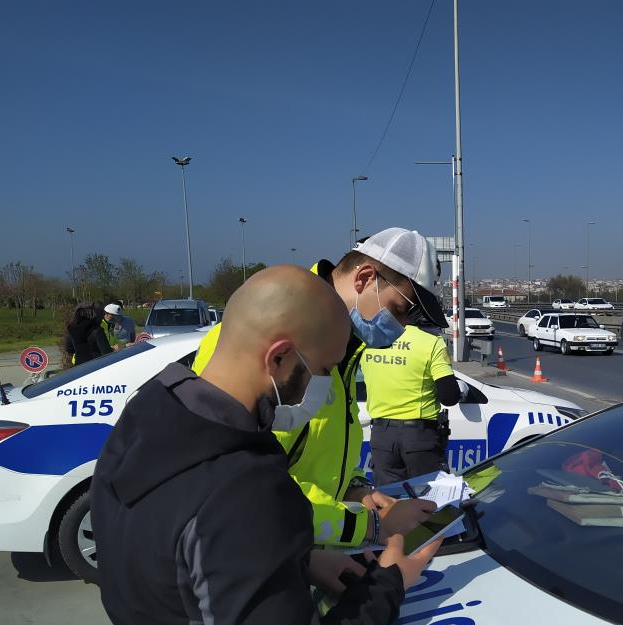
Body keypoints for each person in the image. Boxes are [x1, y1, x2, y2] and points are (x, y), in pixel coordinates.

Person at [91, 265, 441, 625]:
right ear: (279, 358)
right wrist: (385, 586)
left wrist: (294, 560)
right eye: (322, 371)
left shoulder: (149, 418)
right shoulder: (242, 487)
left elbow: (180, 571)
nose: (320, 391)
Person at [192, 228, 448, 548]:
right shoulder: (268, 336)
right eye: (400, 309)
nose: (403, 326)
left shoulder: (342, 350)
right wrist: (370, 525)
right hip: (257, 557)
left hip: (304, 550)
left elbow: (317, 456)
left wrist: (356, 490)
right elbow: (247, 488)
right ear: (364, 278)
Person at [362, 313, 468, 485]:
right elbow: (449, 397)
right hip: (419, 437)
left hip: (382, 436)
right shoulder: (431, 342)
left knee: (390, 503)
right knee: (428, 501)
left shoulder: (370, 340)